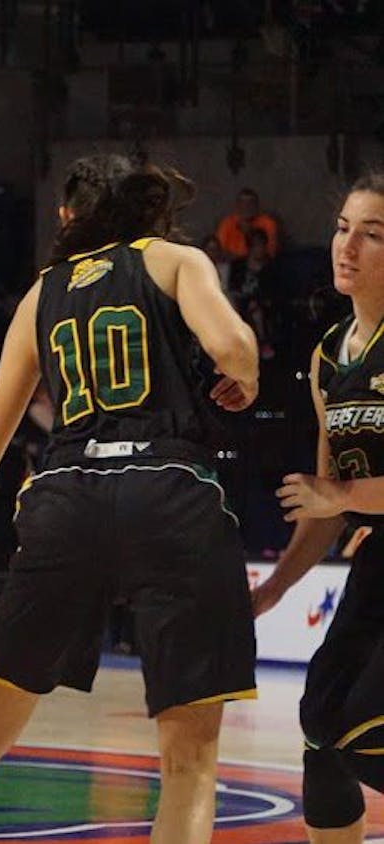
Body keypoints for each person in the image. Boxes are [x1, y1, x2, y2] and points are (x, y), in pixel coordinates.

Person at [0, 154, 259, 844]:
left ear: (68, 216)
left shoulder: (42, 294)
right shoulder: (175, 261)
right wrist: (241, 377)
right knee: (189, 767)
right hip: (168, 494)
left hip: (66, 500)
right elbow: (234, 348)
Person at [250, 173, 384, 844]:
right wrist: (270, 590)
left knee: (366, 730)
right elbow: (327, 505)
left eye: (373, 233)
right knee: (321, 726)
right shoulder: (329, 356)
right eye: (341, 227)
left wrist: (348, 497)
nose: (348, 245)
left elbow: (341, 495)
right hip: (377, 556)